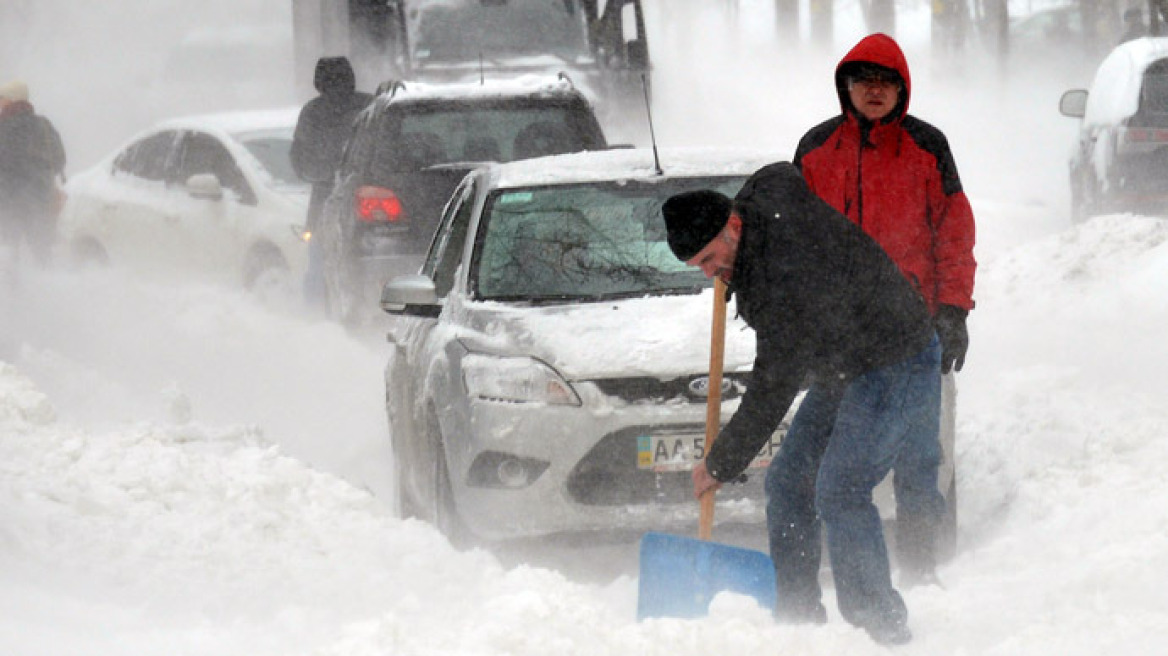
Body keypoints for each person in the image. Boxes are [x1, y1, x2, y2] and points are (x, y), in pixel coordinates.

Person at [662, 162, 939, 645]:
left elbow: (775, 383)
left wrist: (721, 463)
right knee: (790, 482)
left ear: (732, 226)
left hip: (896, 359)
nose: (710, 274)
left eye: (710, 260)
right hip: (847, 364)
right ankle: (796, 621)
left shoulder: (784, 273)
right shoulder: (757, 212)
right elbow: (777, 171)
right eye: (700, 268)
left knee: (840, 489)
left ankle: (883, 628)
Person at [793, 33, 977, 586]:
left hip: (915, 337)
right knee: (824, 462)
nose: (874, 92)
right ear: (845, 87)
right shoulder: (815, 149)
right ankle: (820, 571)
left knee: (919, 458)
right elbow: (797, 241)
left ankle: (922, 571)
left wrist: (954, 312)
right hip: (840, 339)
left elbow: (954, 233)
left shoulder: (928, 147)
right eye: (863, 81)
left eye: (885, 82)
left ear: (902, 89)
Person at [291, 57, 372, 310]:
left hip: (323, 202)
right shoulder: (369, 106)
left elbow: (300, 160)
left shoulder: (313, 112)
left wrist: (324, 176)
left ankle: (318, 315)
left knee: (318, 264)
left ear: (318, 81)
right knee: (363, 262)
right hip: (369, 201)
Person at [0, 79, 66, 272]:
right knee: (41, 254)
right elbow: (59, 160)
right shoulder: (43, 125)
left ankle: (16, 294)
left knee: (10, 255)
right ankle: (46, 293)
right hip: (40, 203)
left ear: (11, 100)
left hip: (8, 206)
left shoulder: (3, 129)